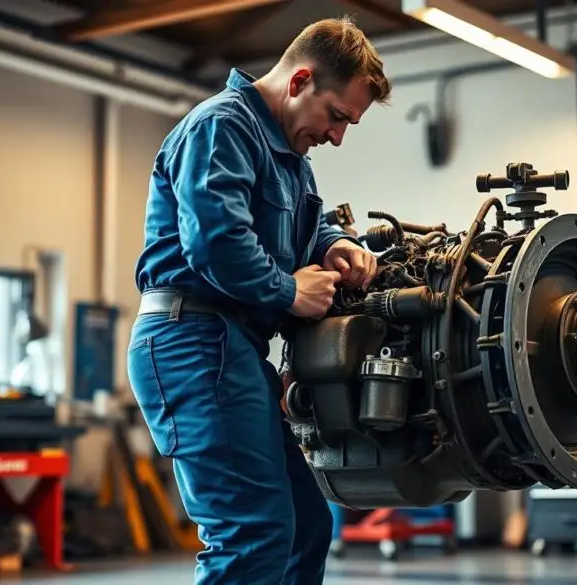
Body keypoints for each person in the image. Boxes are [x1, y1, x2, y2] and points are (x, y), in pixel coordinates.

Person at [127, 15, 392, 585]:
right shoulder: (222, 128)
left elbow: (308, 225)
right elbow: (216, 242)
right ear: (299, 82)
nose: (338, 136)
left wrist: (338, 244)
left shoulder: (290, 159)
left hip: (233, 347)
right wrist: (289, 290)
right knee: (252, 531)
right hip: (191, 342)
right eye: (337, 116)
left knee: (303, 525)